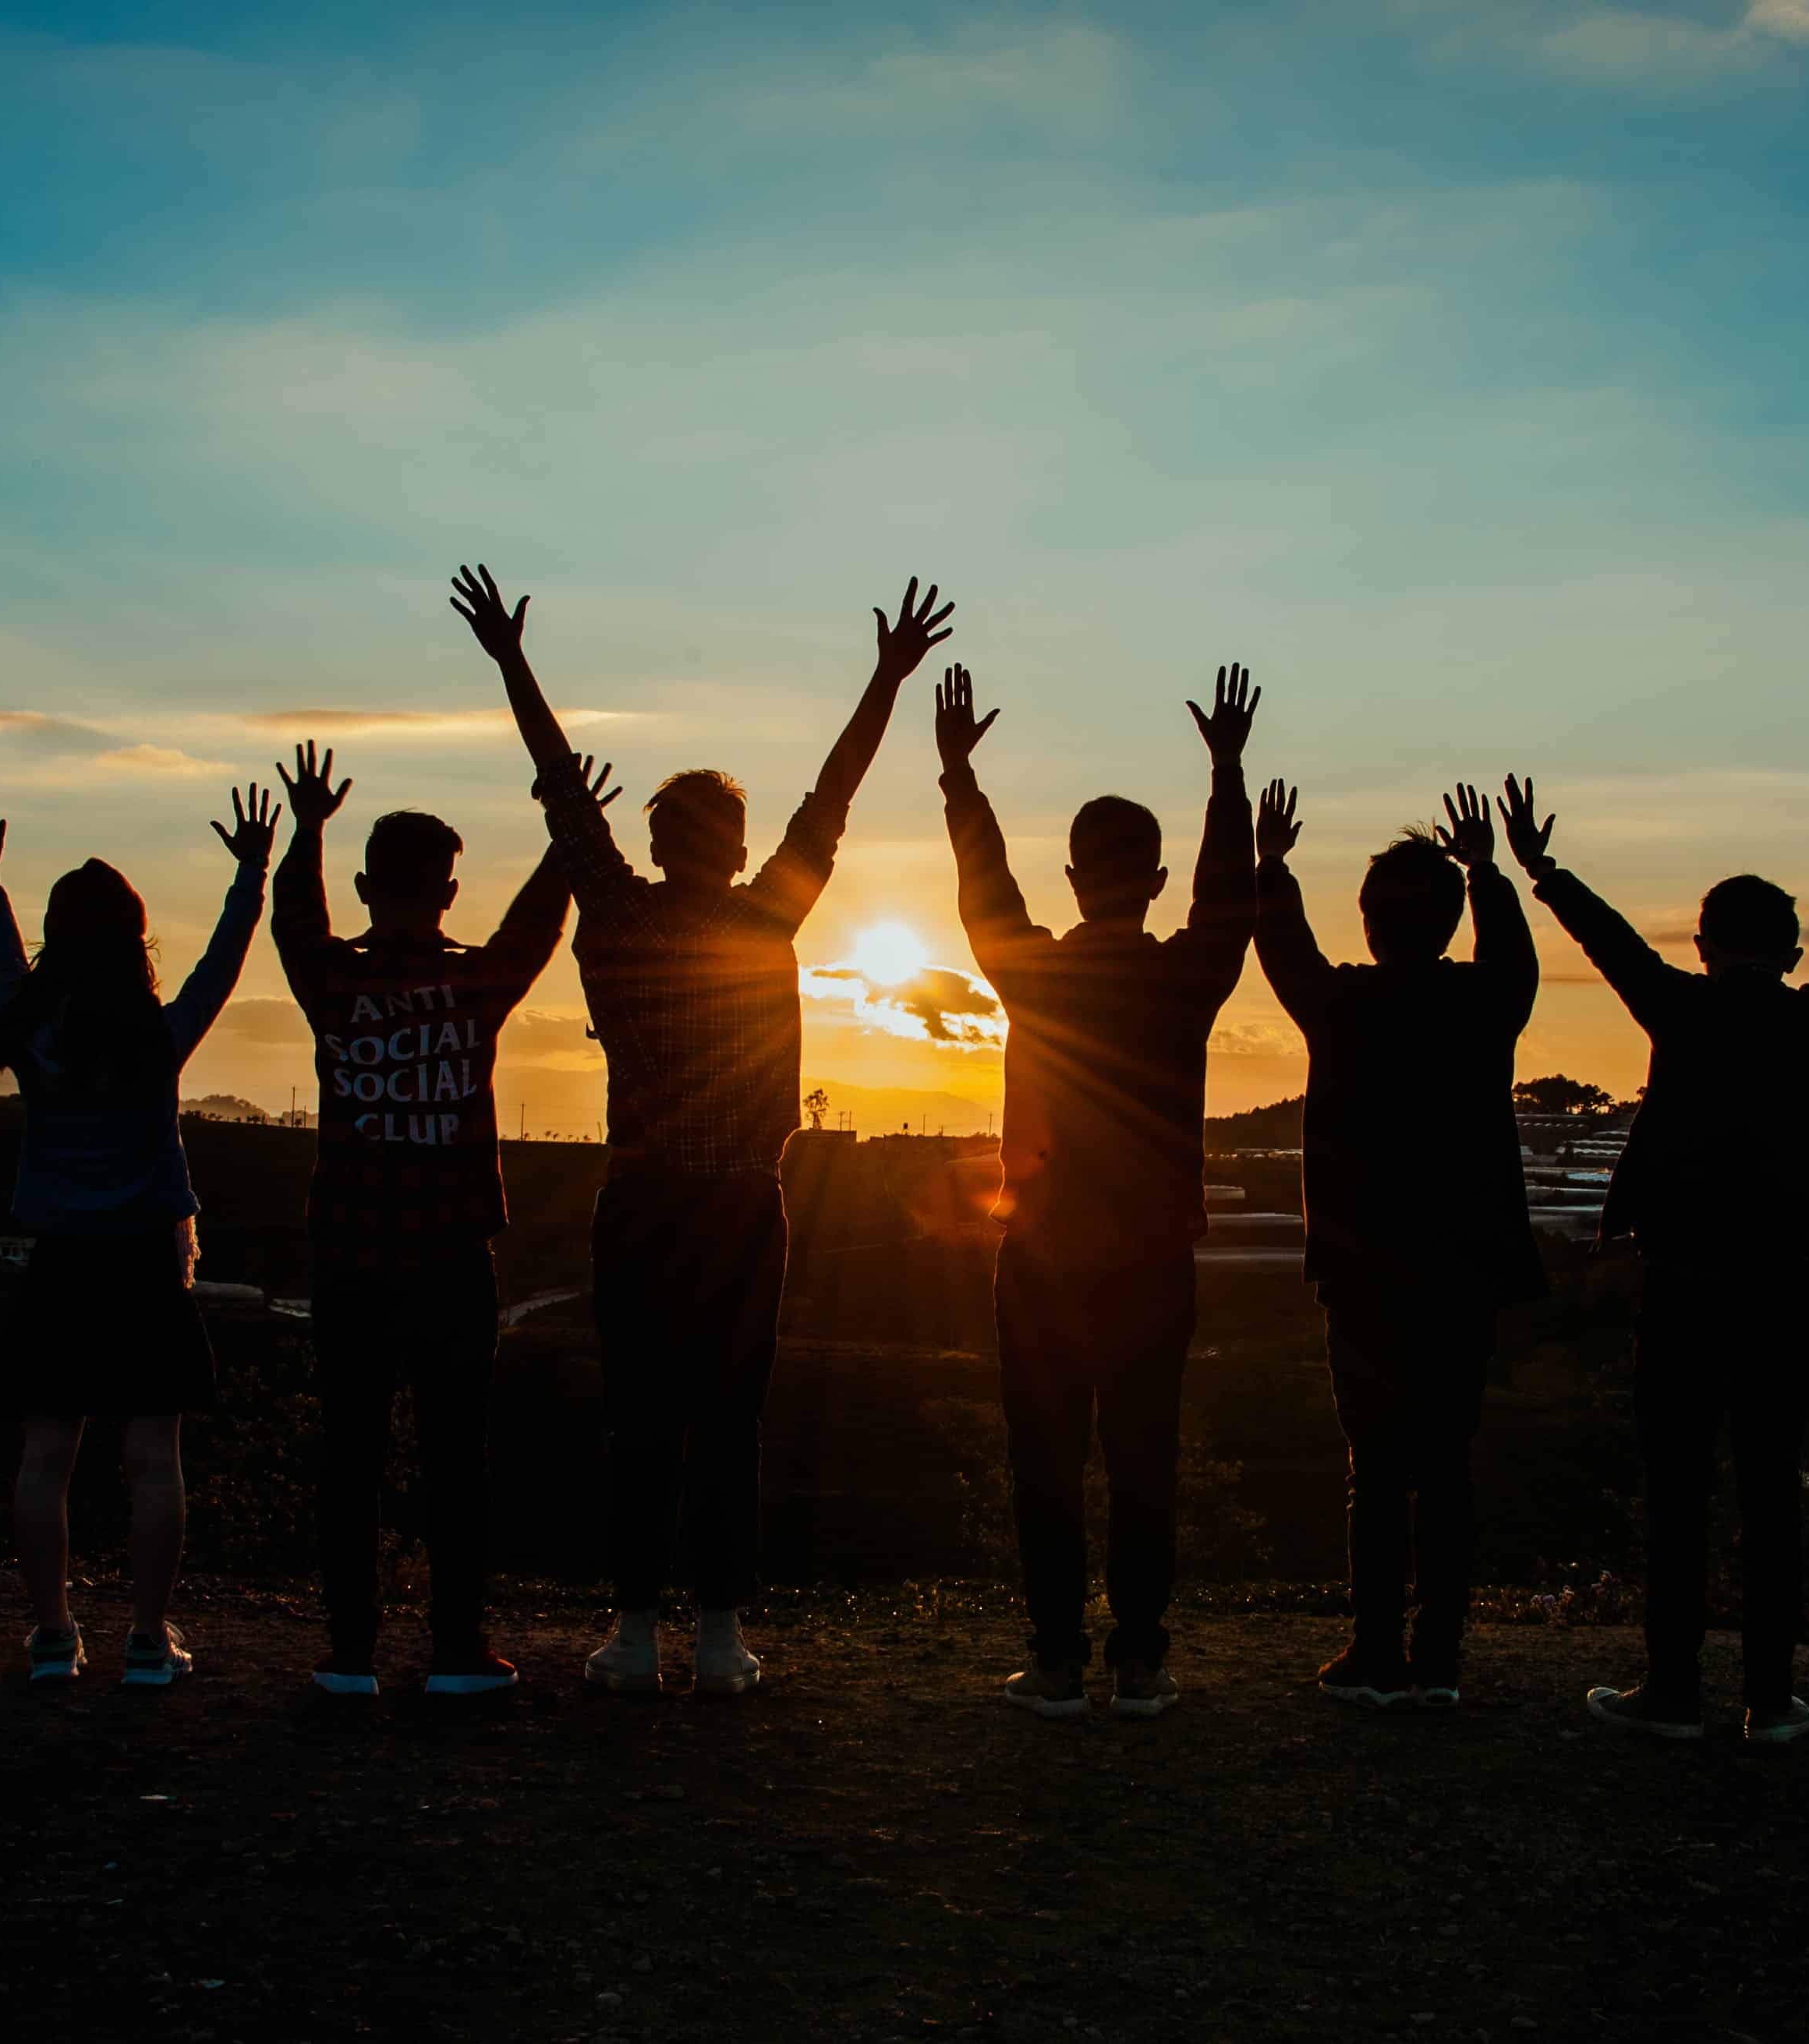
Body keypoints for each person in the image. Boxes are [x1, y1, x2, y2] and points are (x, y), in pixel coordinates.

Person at [454, 563, 954, 1697]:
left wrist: (511, 662)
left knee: (636, 1414)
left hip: (640, 1202)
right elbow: (833, 796)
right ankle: (721, 1635)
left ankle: (633, 1633)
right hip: (738, 1206)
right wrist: (884, 676)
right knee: (731, 1418)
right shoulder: (766, 913)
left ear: (659, 838)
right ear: (732, 846)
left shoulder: (618, 913)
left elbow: (558, 788)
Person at [1505, 779, 1809, 1744]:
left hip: (1680, 1288)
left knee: (1675, 1489)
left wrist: (1543, 870)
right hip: (1783, 1291)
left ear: (1701, 944)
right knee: (1769, 1489)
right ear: (1791, 951)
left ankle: (1670, 1689)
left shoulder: (1679, 1008)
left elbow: (1609, 942)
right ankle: (1768, 1695)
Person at [935, 660, 1260, 1721]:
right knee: (1143, 1460)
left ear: (1073, 878)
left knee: (1046, 1460)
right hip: (1155, 1260)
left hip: (1040, 1256)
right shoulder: (1184, 978)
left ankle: (1061, 1660)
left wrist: (960, 782)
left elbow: (986, 895)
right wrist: (1227, 776)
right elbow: (1231, 902)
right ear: (1153, 878)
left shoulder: (1034, 971)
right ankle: (1142, 1663)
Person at [268, 739, 614, 1699]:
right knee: (458, 1456)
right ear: (448, 893)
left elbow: (293, 921)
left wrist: (304, 829)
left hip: (347, 1250)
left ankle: (348, 1652)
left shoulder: (332, 986)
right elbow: (537, 928)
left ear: (369, 885)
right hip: (453, 1256)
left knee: (350, 1453)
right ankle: (457, 1649)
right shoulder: (473, 985)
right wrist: (564, 835)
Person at [0, 783, 276, 1688]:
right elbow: (222, 961)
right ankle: (148, 1637)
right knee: (152, 1459)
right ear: (135, 942)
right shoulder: (158, 1035)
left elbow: (1, 951)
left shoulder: (33, 1035)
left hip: (61, 1262)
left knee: (46, 1455)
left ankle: (53, 1637)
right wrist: (250, 875)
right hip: (147, 1263)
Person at [1252, 781, 1542, 1709]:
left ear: (1370, 922)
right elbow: (1515, 961)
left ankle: (1373, 1653)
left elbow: (1282, 949)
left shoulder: (1342, 1007)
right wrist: (1488, 872)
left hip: (1362, 1270)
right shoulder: (1483, 1003)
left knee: (1372, 1470)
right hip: (1460, 1270)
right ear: (1451, 921)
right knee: (1446, 1465)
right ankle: (1439, 1659)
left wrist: (1271, 866)